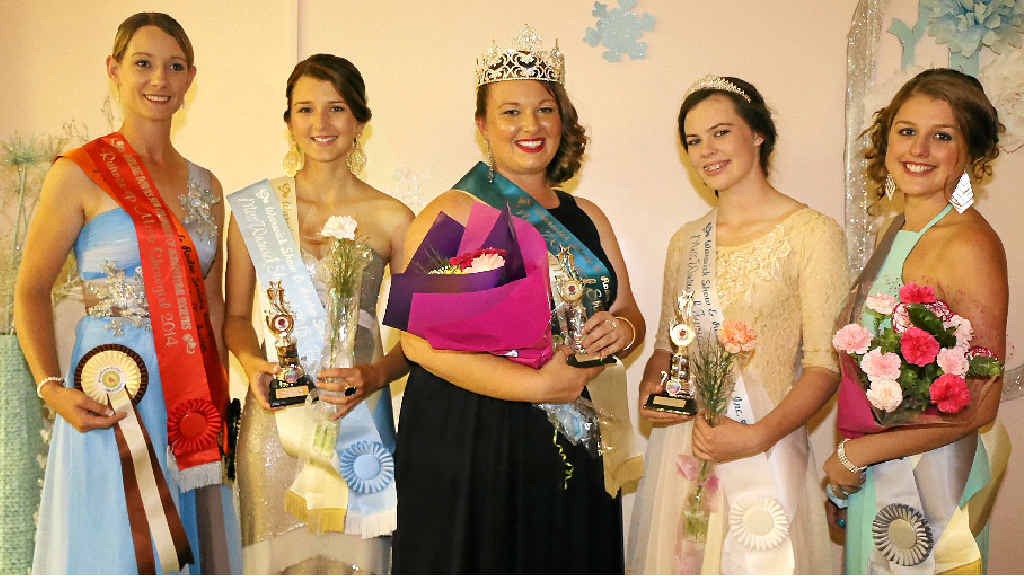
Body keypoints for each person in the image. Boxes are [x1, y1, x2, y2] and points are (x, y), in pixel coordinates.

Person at [391, 25, 645, 573]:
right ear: (483, 125)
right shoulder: (452, 213)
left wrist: (622, 331)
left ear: (562, 120)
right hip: (469, 440)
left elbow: (629, 312)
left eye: (544, 110)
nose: (530, 126)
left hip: (570, 437)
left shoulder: (589, 217)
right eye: (511, 112)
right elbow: (415, 343)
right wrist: (536, 385)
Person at [14, 12, 237, 573]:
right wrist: (50, 386)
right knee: (112, 541)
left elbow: (211, 305)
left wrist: (217, 400)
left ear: (190, 80)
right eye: (143, 64)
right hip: (113, 388)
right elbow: (31, 289)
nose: (159, 79)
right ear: (114, 71)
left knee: (185, 542)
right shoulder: (81, 172)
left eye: (174, 67)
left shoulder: (208, 186)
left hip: (187, 405)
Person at [628, 76, 847, 574]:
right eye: (693, 140)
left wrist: (757, 435)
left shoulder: (813, 234)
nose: (706, 151)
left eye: (721, 132)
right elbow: (667, 344)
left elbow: (825, 365)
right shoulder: (687, 241)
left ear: (757, 135)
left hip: (764, 448)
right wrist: (651, 384)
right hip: (686, 450)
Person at [223, 53, 413, 574]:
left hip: (358, 419)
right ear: (288, 122)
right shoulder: (255, 209)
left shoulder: (394, 217)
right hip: (275, 425)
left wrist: (374, 374)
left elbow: (421, 338)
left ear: (359, 121)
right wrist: (254, 364)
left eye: (336, 108)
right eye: (305, 109)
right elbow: (235, 318)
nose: (321, 124)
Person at [824, 68, 1009, 574]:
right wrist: (854, 462)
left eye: (942, 136)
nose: (919, 148)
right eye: (907, 131)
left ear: (969, 155)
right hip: (881, 471)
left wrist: (854, 458)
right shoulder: (903, 227)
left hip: (930, 482)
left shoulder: (968, 242)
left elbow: (979, 402)